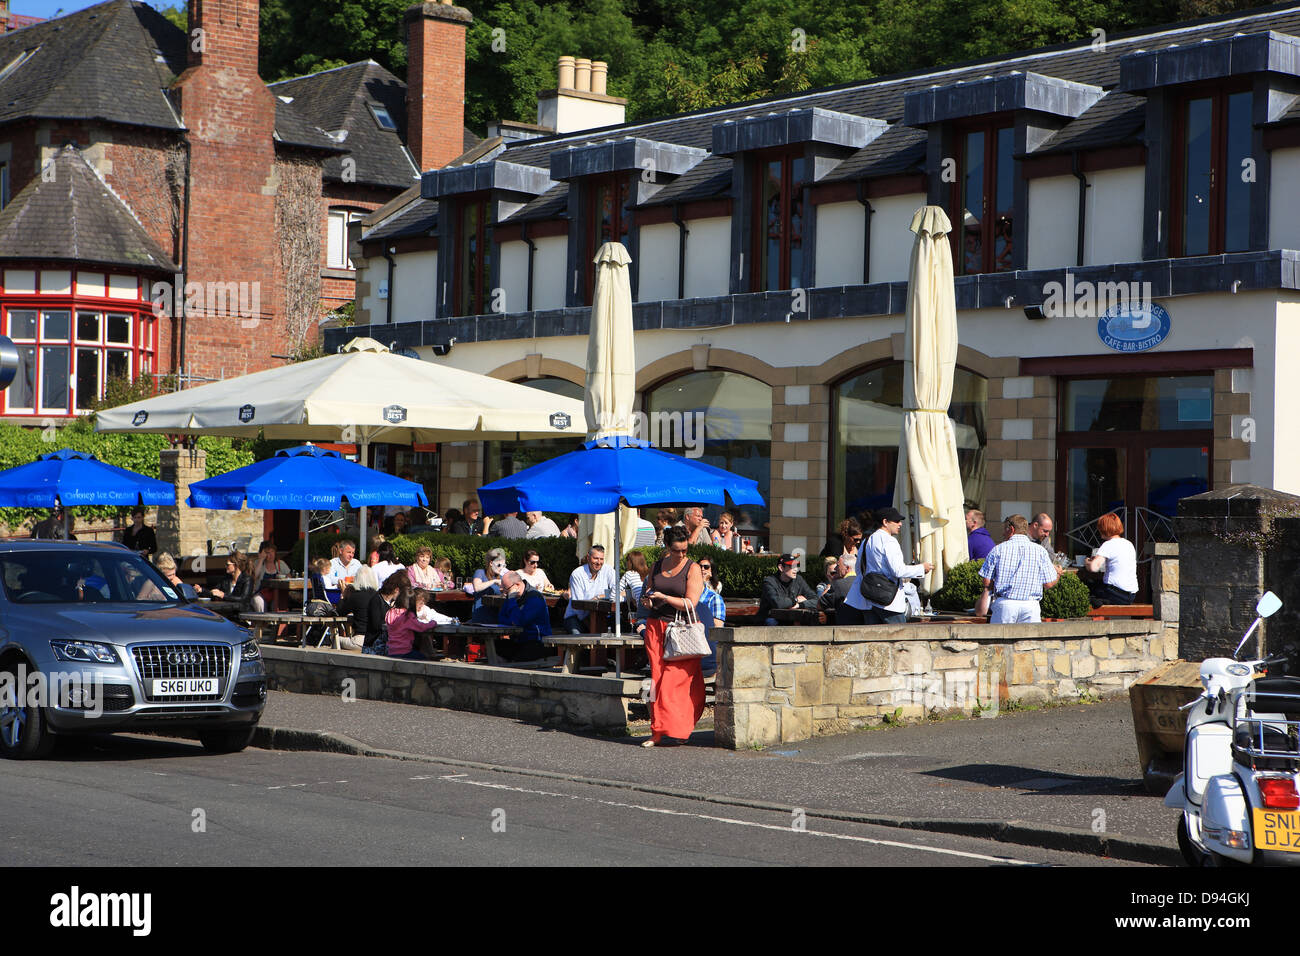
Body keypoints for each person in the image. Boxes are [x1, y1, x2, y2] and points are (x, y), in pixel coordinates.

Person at [635, 526, 706, 747]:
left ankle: (678, 728)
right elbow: (647, 596)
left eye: (685, 550)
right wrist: (648, 601)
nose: (682, 554)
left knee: (675, 682)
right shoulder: (656, 567)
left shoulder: (692, 568)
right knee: (656, 681)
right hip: (656, 628)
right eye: (677, 551)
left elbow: (690, 603)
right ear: (668, 547)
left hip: (680, 630)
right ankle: (657, 730)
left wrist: (664, 597)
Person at [844, 507, 932, 625]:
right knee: (900, 637)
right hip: (888, 600)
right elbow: (898, 571)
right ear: (885, 522)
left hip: (868, 598)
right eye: (896, 521)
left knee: (873, 640)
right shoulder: (889, 541)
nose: (900, 524)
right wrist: (921, 568)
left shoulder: (866, 540)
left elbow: (859, 568)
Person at [978, 514, 1060, 623]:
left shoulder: (998, 549)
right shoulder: (1040, 551)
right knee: (1030, 640)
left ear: (1011, 529)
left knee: (1000, 639)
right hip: (1031, 606)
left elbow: (986, 581)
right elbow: (1048, 584)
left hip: (1005, 605)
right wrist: (1058, 574)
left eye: (1004, 529)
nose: (1003, 533)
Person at [1083, 512, 1139, 607]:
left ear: (1103, 529)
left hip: (1114, 593)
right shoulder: (1128, 543)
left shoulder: (1108, 544)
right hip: (1131, 595)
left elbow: (1093, 568)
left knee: (1086, 587)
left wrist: (1087, 562)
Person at [496, 570, 552, 661]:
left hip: (537, 643)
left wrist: (511, 600)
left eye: (505, 588)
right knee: (493, 646)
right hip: (519, 641)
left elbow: (520, 621)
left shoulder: (534, 598)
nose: (502, 590)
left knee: (513, 659)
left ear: (517, 585)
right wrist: (513, 621)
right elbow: (501, 618)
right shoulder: (511, 596)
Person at [562, 544, 617, 634]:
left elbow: (619, 591)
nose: (599, 562)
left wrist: (599, 596)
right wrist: (592, 626)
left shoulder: (608, 570)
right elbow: (577, 605)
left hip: (602, 616)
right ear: (588, 557)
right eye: (596, 558)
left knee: (619, 631)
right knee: (579, 639)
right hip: (576, 617)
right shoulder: (577, 574)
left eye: (601, 559)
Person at [383, 574, 439, 659]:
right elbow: (422, 627)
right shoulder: (407, 616)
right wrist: (433, 623)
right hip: (405, 652)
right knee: (426, 659)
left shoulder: (390, 612)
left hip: (391, 651)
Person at [758, 553, 817, 624]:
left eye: (796, 566)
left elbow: (816, 600)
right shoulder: (769, 581)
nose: (796, 569)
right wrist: (796, 600)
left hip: (790, 619)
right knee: (771, 622)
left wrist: (800, 605)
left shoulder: (799, 580)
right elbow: (778, 603)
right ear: (781, 568)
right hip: (770, 619)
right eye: (791, 566)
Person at [465, 548, 507, 622]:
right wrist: (494, 581)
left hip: (496, 616)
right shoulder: (480, 573)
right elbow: (477, 588)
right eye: (499, 565)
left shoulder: (501, 577)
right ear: (491, 563)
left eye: (503, 565)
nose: (501, 568)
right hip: (481, 615)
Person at [817, 556, 856, 624]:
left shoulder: (838, 585)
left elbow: (819, 605)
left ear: (847, 568)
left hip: (844, 629)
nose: (836, 568)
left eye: (838, 566)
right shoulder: (864, 582)